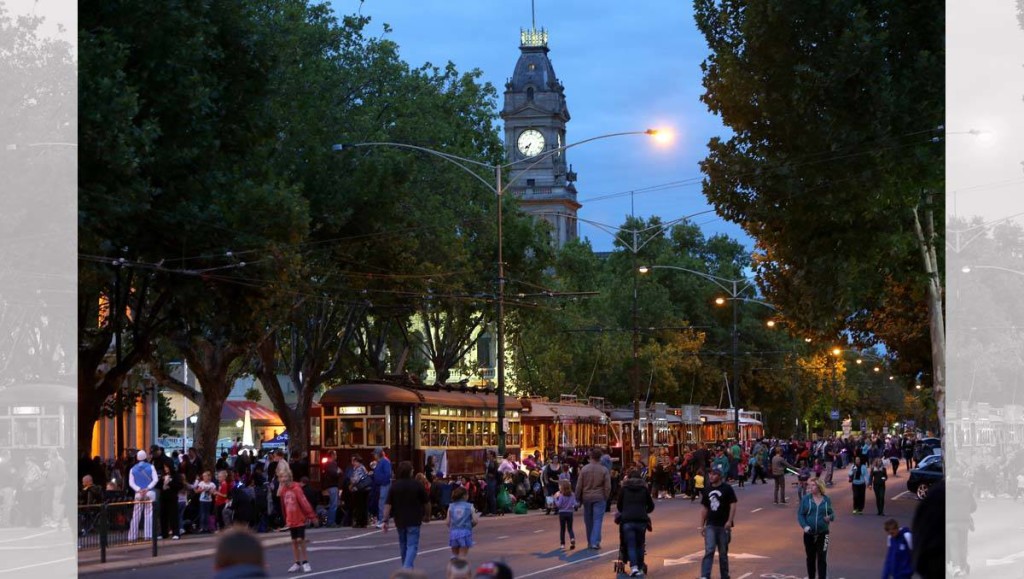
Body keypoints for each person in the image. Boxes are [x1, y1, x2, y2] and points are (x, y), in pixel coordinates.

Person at [382, 460, 429, 570]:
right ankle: (407, 567)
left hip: (400, 520)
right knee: (412, 545)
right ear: (410, 472)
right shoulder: (417, 485)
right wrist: (427, 515)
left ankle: (406, 567)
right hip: (414, 519)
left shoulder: (394, 486)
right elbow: (427, 502)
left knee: (403, 545)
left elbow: (388, 504)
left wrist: (385, 520)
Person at [277, 461, 316, 573]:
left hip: (299, 518)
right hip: (291, 519)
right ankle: (296, 562)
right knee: (294, 541)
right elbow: (283, 506)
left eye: (284, 476)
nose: (283, 479)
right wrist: (285, 520)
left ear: (289, 477)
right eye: (281, 477)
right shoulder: (283, 490)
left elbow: (304, 502)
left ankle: (305, 561)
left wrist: (311, 515)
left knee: (300, 540)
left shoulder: (296, 488)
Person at [699, 464, 737, 579]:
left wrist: (730, 521)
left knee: (723, 554)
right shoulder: (707, 490)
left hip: (723, 525)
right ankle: (705, 576)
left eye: (714, 474)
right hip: (711, 524)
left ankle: (724, 575)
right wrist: (701, 525)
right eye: (710, 473)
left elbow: (733, 505)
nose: (711, 476)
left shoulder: (727, 488)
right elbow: (705, 508)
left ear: (719, 476)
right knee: (709, 550)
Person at [617, 469, 654, 577]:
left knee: (631, 544)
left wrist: (625, 510)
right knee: (640, 544)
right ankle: (640, 567)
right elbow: (651, 506)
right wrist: (644, 511)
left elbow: (619, 505)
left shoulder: (624, 489)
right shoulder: (644, 489)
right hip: (641, 520)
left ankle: (633, 567)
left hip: (627, 520)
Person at [797, 478, 835, 579]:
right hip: (809, 534)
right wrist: (805, 526)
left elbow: (832, 514)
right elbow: (800, 515)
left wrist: (829, 517)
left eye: (813, 485)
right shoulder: (806, 499)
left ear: (819, 487)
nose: (810, 487)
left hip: (823, 533)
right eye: (810, 485)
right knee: (810, 558)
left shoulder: (826, 500)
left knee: (822, 558)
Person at [575, 448, 611, 550]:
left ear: (590, 457)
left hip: (586, 497)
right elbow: (607, 486)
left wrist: (577, 498)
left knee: (588, 520)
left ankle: (590, 542)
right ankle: (595, 541)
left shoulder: (584, 469)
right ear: (600, 457)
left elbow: (579, 485)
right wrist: (606, 496)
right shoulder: (604, 470)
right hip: (599, 497)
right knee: (597, 520)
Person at [128, 450, 158, 541]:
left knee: (136, 514)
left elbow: (131, 483)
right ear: (145, 457)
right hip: (149, 492)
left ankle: (132, 536)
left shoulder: (132, 469)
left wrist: (139, 490)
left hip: (138, 493)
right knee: (148, 514)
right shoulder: (151, 467)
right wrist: (147, 488)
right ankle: (148, 535)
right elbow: (155, 480)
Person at [447, 485, 478, 560]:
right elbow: (475, 520)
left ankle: (453, 566)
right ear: (464, 496)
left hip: (454, 532)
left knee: (455, 554)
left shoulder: (451, 506)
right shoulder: (470, 506)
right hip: (465, 532)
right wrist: (470, 525)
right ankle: (461, 568)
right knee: (463, 555)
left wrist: (453, 527)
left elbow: (447, 521)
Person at [158, 462, 183, 539]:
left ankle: (176, 533)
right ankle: (164, 533)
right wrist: (161, 481)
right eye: (165, 467)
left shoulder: (176, 475)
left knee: (173, 516)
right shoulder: (163, 475)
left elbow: (180, 485)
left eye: (167, 467)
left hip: (172, 498)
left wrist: (170, 483)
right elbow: (158, 486)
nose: (165, 469)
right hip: (163, 498)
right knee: (163, 516)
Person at [553, 478, 577, 550]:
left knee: (562, 529)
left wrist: (555, 499)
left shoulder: (561, 495)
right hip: (570, 513)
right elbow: (575, 503)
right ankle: (572, 538)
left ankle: (562, 544)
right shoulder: (572, 494)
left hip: (562, 513)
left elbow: (559, 505)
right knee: (570, 528)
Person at [373, 447, 393, 528]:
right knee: (382, 502)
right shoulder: (381, 462)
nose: (374, 456)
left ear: (378, 454)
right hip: (381, 484)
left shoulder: (385, 462)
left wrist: (382, 481)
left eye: (375, 454)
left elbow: (388, 474)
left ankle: (383, 520)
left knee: (382, 502)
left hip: (384, 484)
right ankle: (382, 519)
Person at [349, 454, 371, 528]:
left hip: (359, 490)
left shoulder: (359, 469)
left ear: (357, 462)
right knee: (364, 506)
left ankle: (359, 522)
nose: (353, 463)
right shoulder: (363, 468)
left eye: (354, 461)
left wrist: (351, 485)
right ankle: (364, 522)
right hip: (365, 489)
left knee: (359, 506)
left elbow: (355, 480)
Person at [321, 450, 340, 527]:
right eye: (335, 454)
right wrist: (339, 472)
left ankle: (329, 521)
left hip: (328, 485)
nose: (336, 456)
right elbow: (334, 473)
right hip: (333, 485)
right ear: (332, 455)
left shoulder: (326, 464)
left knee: (331, 504)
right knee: (334, 504)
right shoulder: (332, 463)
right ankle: (331, 522)